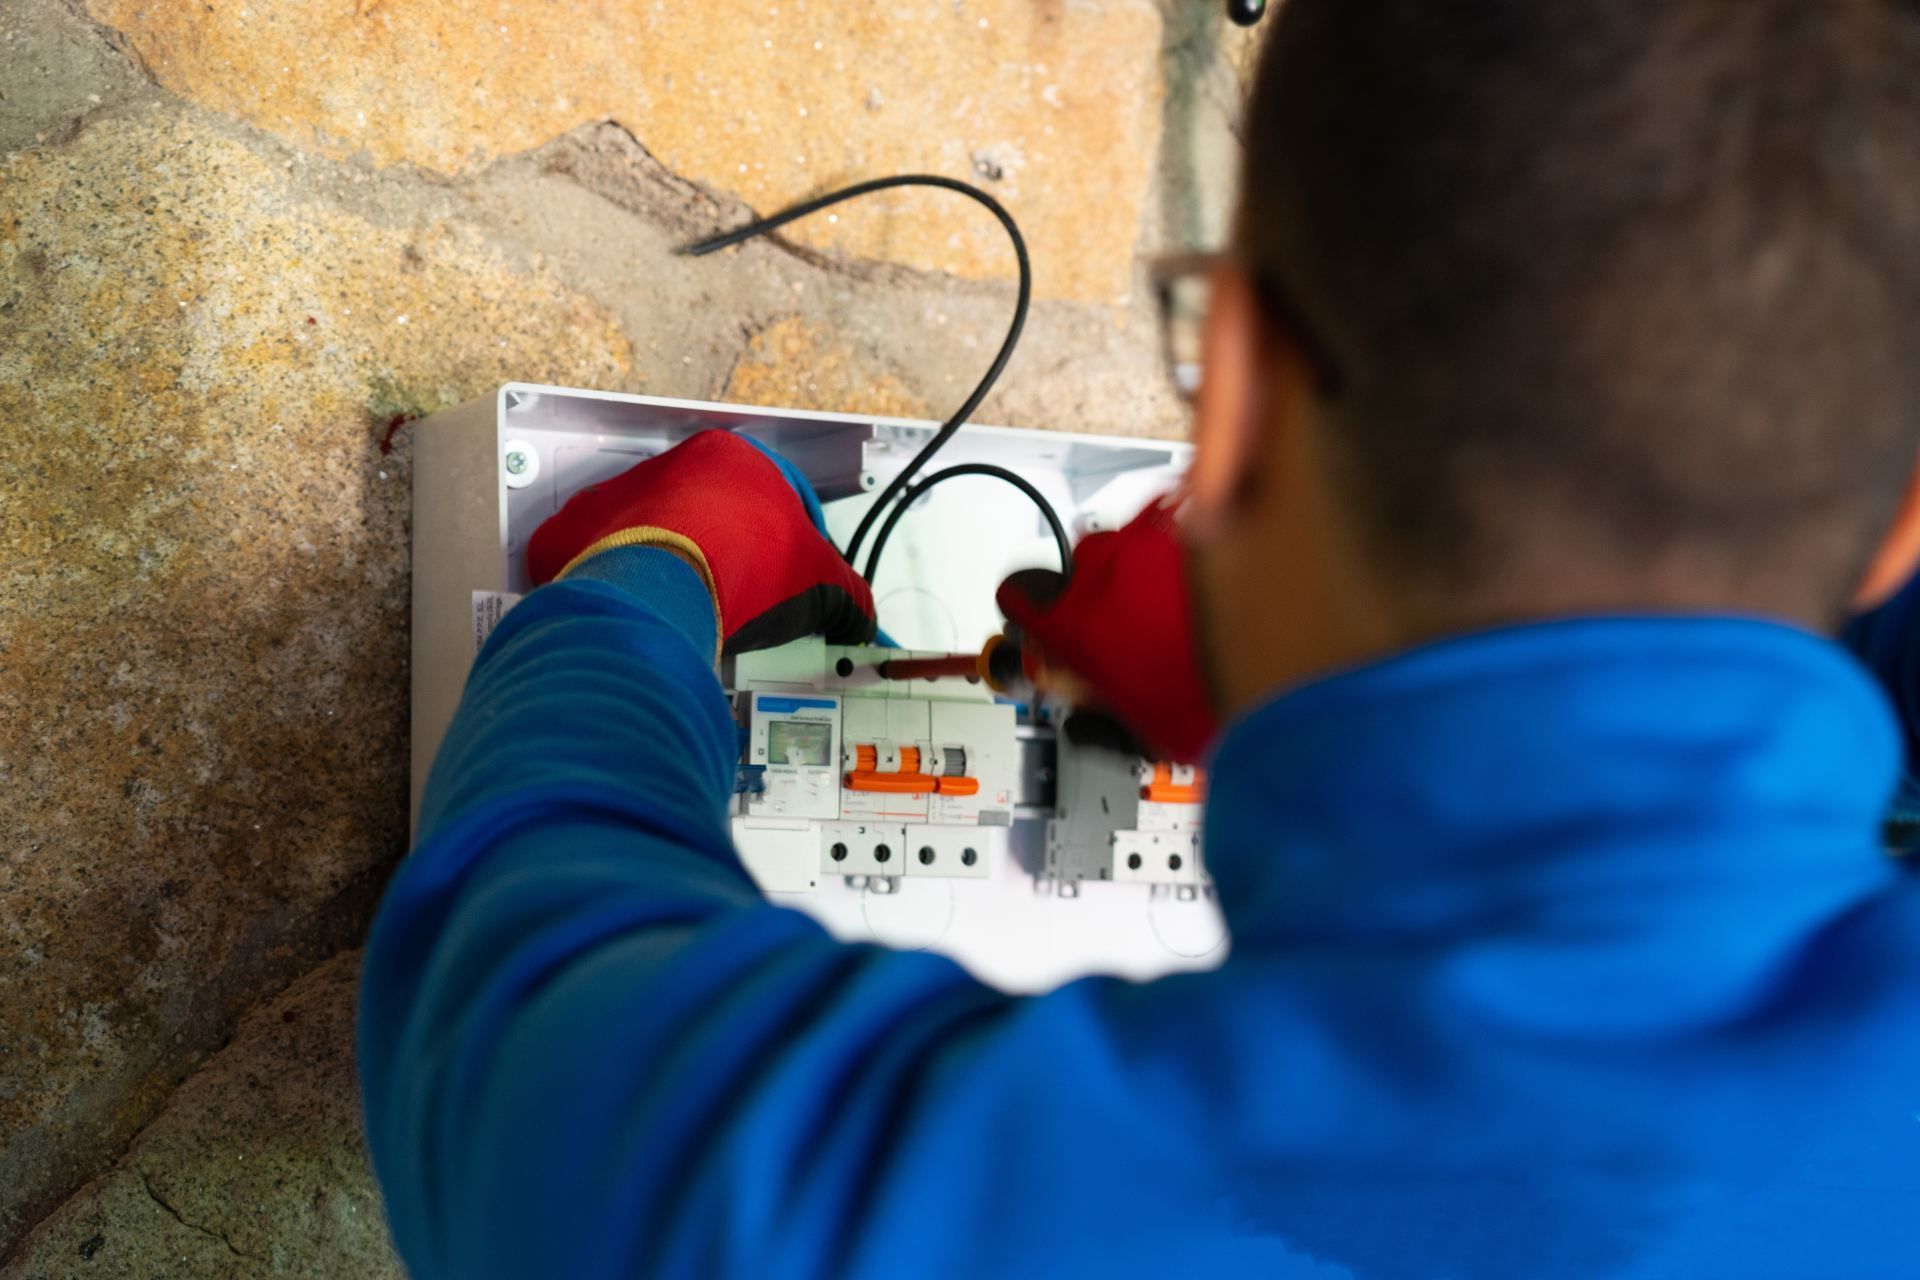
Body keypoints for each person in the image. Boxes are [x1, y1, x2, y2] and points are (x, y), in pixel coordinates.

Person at [358, 3, 1920, 1276]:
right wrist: (1315, 648)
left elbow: (517, 973)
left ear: (1228, 394)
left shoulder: (815, 1223)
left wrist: (651, 567)